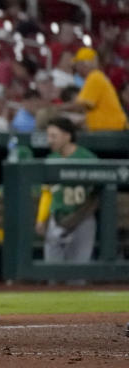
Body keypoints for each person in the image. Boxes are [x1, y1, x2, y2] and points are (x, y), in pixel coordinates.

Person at [35, 117, 98, 273]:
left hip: (82, 220)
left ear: (67, 136)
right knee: (52, 272)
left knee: (78, 274)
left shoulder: (87, 158)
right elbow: (47, 193)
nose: (49, 141)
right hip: (57, 219)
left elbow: (98, 194)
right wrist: (41, 219)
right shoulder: (51, 160)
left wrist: (80, 215)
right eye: (48, 136)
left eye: (53, 136)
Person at [60, 47, 128, 131]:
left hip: (114, 131)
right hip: (111, 129)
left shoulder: (95, 77)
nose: (76, 68)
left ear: (85, 64)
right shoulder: (95, 77)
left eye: (77, 64)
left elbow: (81, 105)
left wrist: (57, 109)